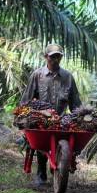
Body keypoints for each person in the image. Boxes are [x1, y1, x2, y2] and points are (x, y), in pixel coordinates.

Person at [20, 43, 82, 185]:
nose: (56, 59)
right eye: (53, 56)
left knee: (65, 141)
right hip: (42, 119)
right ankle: (41, 174)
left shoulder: (67, 77)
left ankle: (60, 165)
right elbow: (27, 99)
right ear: (45, 56)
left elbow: (75, 103)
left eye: (58, 56)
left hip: (61, 120)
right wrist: (22, 119)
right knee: (41, 143)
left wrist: (81, 119)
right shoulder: (37, 75)